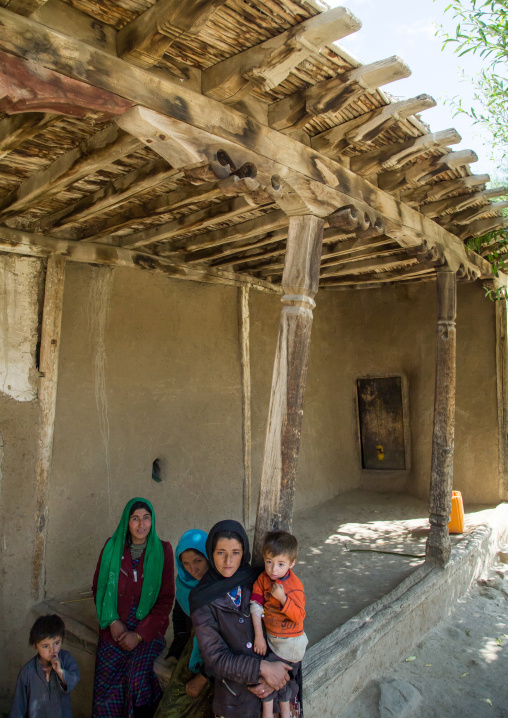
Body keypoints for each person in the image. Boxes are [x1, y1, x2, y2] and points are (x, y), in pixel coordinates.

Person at [190, 520, 292, 718]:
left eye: (235, 552)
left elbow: (290, 629)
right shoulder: (202, 598)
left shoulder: (261, 581)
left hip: (277, 692)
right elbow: (215, 657)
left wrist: (275, 676)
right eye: (221, 552)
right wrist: (262, 669)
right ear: (211, 553)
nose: (228, 560)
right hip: (234, 701)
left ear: (244, 553)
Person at [92, 497, 175, 718]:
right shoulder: (112, 547)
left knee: (137, 676)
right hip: (115, 630)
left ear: (153, 521)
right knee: (106, 679)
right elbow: (99, 588)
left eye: (146, 518)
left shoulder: (163, 551)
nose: (141, 525)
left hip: (147, 631)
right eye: (135, 518)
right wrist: (112, 621)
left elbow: (166, 599)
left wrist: (138, 635)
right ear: (126, 522)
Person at [155, 528, 213, 718]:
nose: (193, 570)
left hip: (217, 655)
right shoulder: (183, 585)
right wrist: (178, 649)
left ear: (208, 556)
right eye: (186, 564)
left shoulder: (220, 586)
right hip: (195, 648)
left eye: (198, 561)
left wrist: (204, 676)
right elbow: (179, 618)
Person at [251, 531, 307, 718]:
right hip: (273, 639)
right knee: (275, 678)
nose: (273, 569)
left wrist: (283, 599)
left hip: (290, 643)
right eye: (269, 561)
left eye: (280, 564)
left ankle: (282, 713)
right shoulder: (263, 579)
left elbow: (299, 616)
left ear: (291, 563)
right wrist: (259, 636)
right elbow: (256, 605)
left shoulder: (295, 586)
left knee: (276, 679)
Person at [10, 614, 80, 718]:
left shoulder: (65, 658)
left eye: (56, 643)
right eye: (45, 646)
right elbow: (19, 706)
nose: (52, 650)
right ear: (35, 646)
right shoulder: (27, 672)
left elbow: (75, 678)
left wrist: (60, 672)